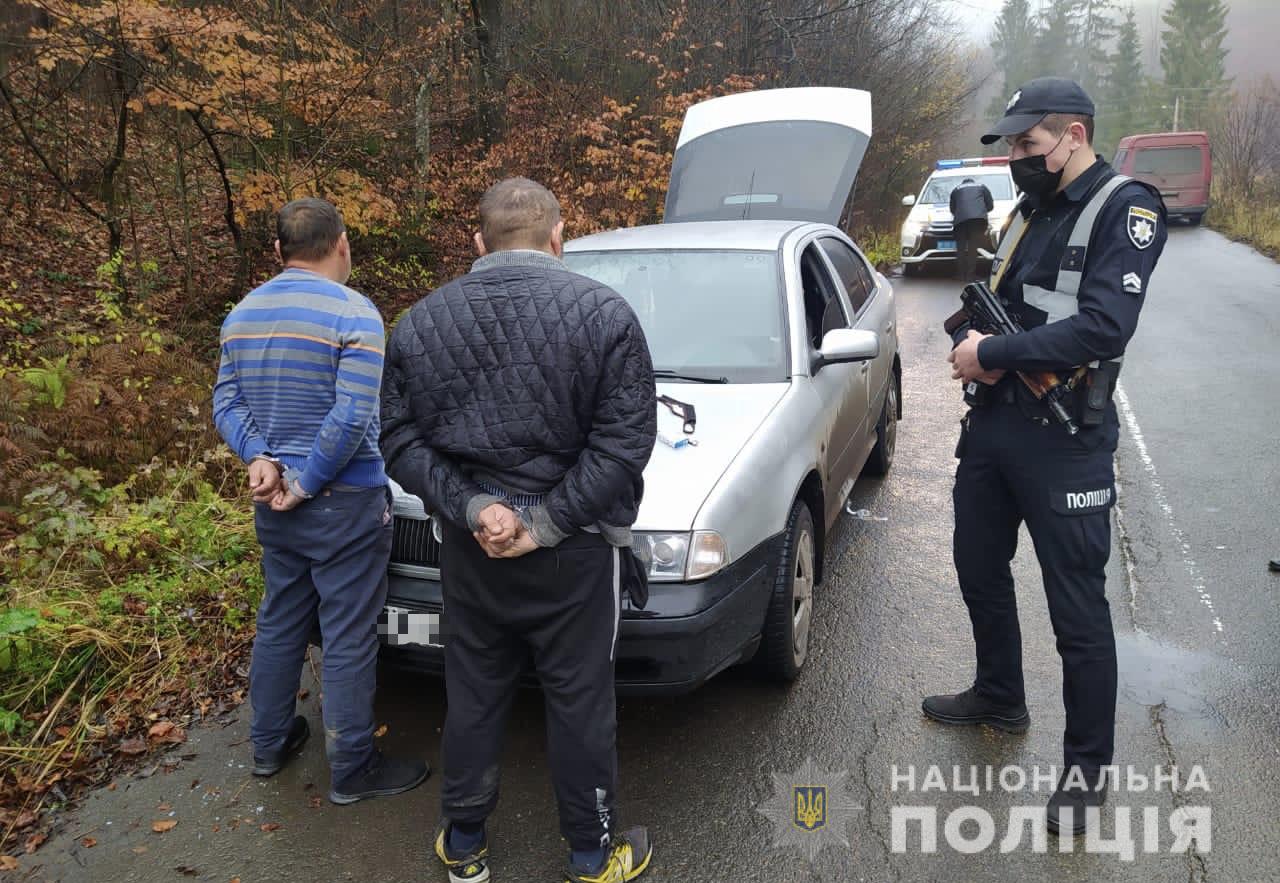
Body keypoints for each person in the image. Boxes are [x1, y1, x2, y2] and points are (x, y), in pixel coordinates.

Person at [380, 178, 657, 883]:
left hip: (474, 552)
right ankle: (592, 854)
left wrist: (474, 508)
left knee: (473, 691)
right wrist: (548, 520)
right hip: (576, 552)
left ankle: (464, 841)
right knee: (580, 699)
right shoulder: (607, 315)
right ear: (559, 237)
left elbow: (397, 437)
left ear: (478, 242)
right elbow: (624, 445)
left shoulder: (418, 322)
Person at [925, 78, 1168, 836]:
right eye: (1015, 148)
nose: (1020, 159)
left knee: (1078, 613)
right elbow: (1018, 293)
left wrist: (992, 349)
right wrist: (976, 335)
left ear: (1073, 133)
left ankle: (1085, 775)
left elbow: (1102, 327)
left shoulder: (1127, 207)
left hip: (1067, 441)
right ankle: (1000, 692)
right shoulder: (1032, 206)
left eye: (1030, 145)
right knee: (977, 567)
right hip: (995, 424)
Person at [212, 197, 429, 806]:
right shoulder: (356, 315)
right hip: (345, 501)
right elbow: (354, 412)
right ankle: (352, 767)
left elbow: (226, 405)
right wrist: (304, 481)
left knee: (280, 618)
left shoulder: (241, 316)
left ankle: (269, 743)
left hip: (273, 500)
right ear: (341, 243)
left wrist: (261, 460)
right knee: (348, 634)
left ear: (277, 253)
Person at [949, 176, 994, 282]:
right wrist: (980, 211)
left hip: (960, 221)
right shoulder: (982, 187)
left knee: (960, 248)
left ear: (963, 183)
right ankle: (970, 276)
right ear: (973, 182)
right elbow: (990, 206)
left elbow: (952, 209)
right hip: (977, 221)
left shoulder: (956, 189)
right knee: (973, 248)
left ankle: (960, 275)